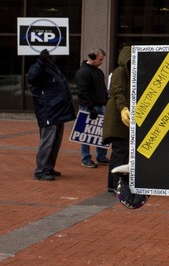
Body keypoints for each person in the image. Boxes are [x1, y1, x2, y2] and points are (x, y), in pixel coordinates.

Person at [27, 49, 76, 181]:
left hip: (57, 110)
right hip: (48, 110)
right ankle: (41, 170)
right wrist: (41, 61)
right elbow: (32, 78)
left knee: (55, 141)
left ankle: (48, 167)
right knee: (48, 141)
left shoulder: (51, 67)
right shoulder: (38, 67)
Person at [103, 45, 132, 193]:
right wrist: (123, 109)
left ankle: (113, 184)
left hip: (120, 120)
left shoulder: (127, 72)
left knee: (121, 152)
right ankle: (114, 185)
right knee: (120, 152)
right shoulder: (120, 72)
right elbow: (118, 92)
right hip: (117, 120)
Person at [75, 47, 109, 168]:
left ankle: (101, 156)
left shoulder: (98, 72)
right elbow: (82, 92)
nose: (101, 62)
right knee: (86, 134)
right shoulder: (84, 72)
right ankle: (86, 158)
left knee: (101, 133)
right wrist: (90, 107)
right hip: (89, 107)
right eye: (100, 59)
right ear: (93, 58)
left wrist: (106, 102)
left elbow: (102, 89)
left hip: (99, 106)